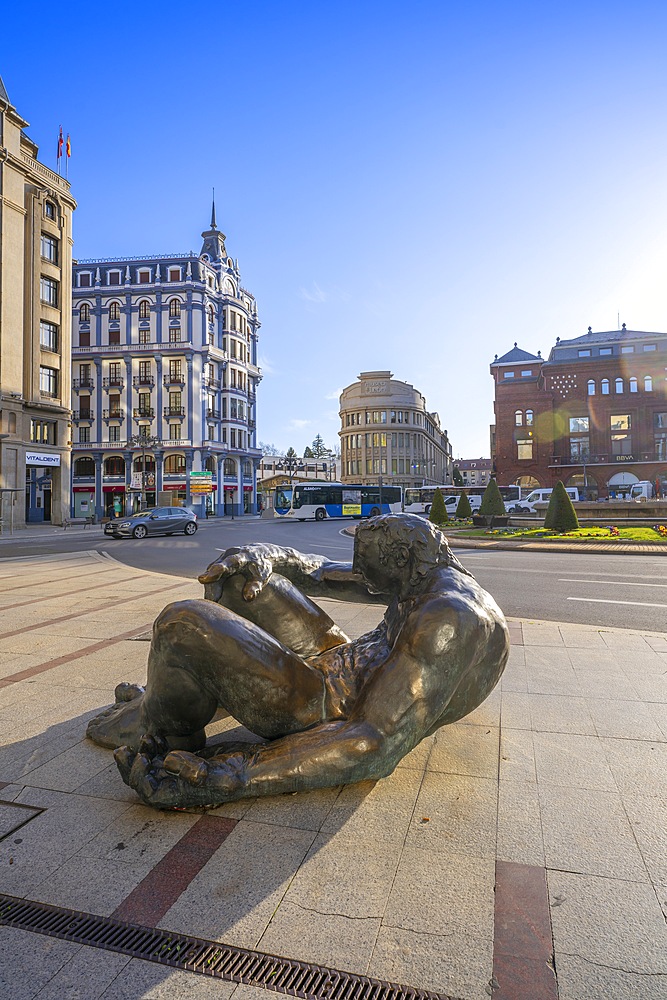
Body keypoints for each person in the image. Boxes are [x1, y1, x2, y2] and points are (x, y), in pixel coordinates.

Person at [87, 513, 509, 810]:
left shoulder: (448, 620)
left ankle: (161, 718)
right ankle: (188, 688)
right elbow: (322, 571)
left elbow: (374, 743)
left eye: (368, 569)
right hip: (337, 661)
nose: (359, 575)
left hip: (322, 705)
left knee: (182, 623)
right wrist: (265, 553)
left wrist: (233, 772)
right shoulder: (428, 574)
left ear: (400, 563)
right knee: (243, 577)